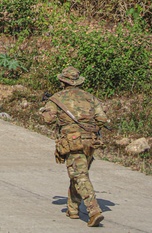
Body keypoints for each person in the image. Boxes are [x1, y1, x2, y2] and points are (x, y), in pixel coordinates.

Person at [40, 66, 109, 227]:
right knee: (78, 173)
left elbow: (48, 120)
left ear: (62, 82)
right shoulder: (90, 98)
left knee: (80, 175)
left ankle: (94, 211)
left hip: (72, 142)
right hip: (90, 140)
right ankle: (73, 209)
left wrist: (44, 110)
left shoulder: (56, 99)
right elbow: (102, 119)